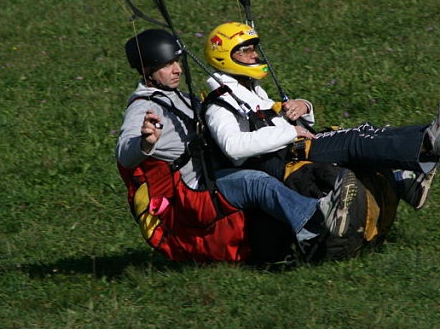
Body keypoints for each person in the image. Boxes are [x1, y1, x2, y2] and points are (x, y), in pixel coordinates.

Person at [115, 29, 386, 263]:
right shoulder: (143, 107)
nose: (178, 69)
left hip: (215, 173)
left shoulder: (181, 97)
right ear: (147, 70)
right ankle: (316, 221)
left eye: (177, 61)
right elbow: (124, 155)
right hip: (194, 190)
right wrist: (145, 142)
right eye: (167, 65)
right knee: (255, 183)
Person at [202, 22, 440, 210]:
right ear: (225, 57)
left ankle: (429, 142)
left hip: (293, 147)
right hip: (284, 159)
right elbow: (233, 147)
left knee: (366, 133)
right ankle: (429, 143)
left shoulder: (249, 88)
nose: (254, 55)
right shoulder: (219, 103)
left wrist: (303, 107)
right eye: (246, 51)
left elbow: (275, 121)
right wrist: (290, 131)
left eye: (254, 48)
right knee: (356, 139)